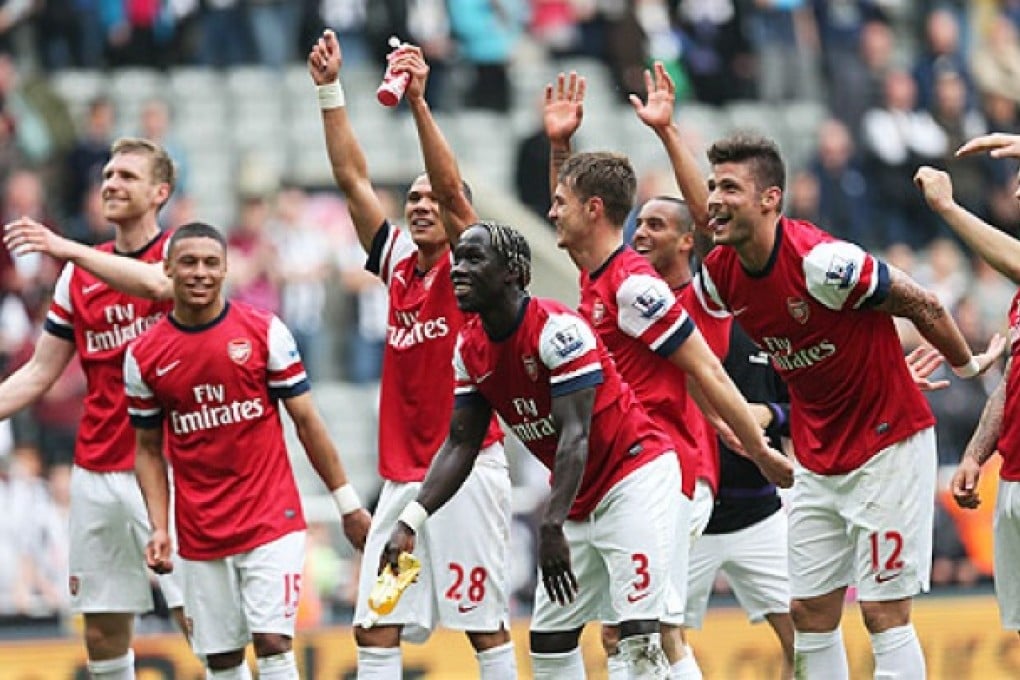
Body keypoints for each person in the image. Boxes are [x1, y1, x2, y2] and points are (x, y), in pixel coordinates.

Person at [692, 132, 1003, 679]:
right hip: (818, 456)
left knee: (883, 613)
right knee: (809, 613)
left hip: (888, 445)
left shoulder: (822, 263)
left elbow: (922, 301)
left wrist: (967, 365)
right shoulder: (720, 275)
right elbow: (694, 353)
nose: (714, 199)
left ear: (770, 198)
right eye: (712, 185)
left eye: (730, 188)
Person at [543, 63, 794, 679]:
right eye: (641, 222)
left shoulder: (686, 297)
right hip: (628, 472)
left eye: (660, 224)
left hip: (670, 467)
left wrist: (666, 133)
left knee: (651, 629)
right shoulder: (606, 278)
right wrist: (560, 148)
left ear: (689, 242)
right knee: (628, 630)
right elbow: (580, 225)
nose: (644, 231)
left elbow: (707, 362)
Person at [382, 220, 680, 679]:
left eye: (473, 259)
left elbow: (575, 436)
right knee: (549, 643)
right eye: (457, 259)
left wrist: (551, 522)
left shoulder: (558, 330)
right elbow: (461, 443)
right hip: (579, 496)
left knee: (638, 632)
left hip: (633, 476)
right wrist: (410, 521)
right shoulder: (470, 348)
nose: (457, 270)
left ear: (512, 273)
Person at [307, 30, 517, 678]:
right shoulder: (397, 260)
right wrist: (329, 91)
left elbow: (456, 197)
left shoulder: (470, 266)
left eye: (431, 199)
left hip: (466, 473)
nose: (422, 206)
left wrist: (420, 104)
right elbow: (350, 178)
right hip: (404, 481)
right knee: (374, 623)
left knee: (484, 626)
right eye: (412, 200)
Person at [125, 221, 372, 679]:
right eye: (189, 263)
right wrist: (159, 526)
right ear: (168, 269)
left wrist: (347, 503)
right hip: (199, 532)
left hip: (269, 519)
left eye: (211, 263)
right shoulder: (144, 355)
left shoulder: (263, 332)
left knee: (274, 642)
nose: (200, 272)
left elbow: (307, 421)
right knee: (221, 658)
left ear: (226, 269)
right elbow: (147, 449)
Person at [0, 137, 187, 680]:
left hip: (170, 468)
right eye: (107, 174)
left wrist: (68, 249)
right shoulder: (77, 276)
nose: (110, 183)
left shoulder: (185, 255)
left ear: (160, 192)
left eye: (127, 176)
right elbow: (39, 373)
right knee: (104, 631)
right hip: (97, 469)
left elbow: (158, 284)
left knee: (198, 617)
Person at [915, 141, 1020, 638]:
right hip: (1013, 479)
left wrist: (946, 207)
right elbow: (1012, 382)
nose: (1017, 191)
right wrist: (978, 454)